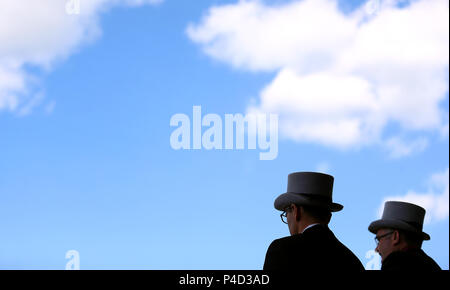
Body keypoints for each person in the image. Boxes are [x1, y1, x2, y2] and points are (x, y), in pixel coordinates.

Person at [263, 172, 364, 271]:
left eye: (286, 214)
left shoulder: (281, 250)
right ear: (329, 216)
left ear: (295, 211)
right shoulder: (352, 260)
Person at [368, 201, 441, 271]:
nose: (376, 249)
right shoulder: (431, 265)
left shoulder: (396, 262)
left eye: (379, 240)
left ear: (395, 237)